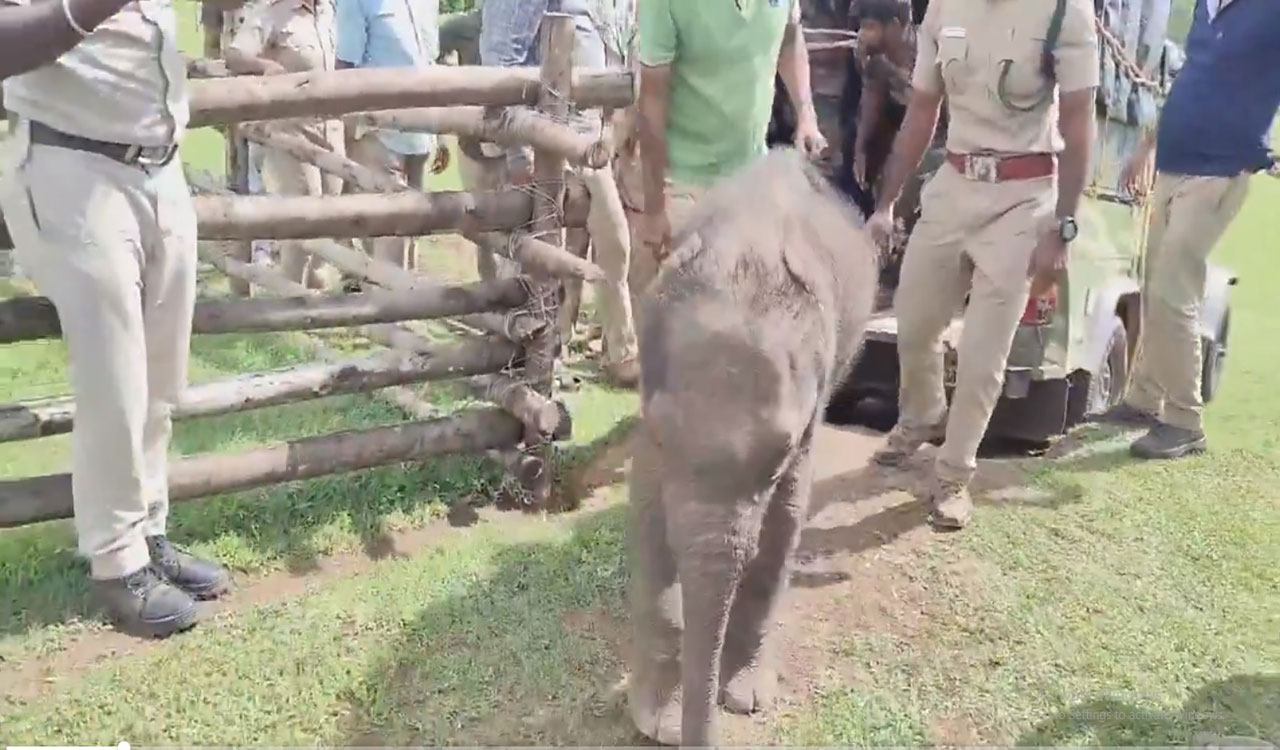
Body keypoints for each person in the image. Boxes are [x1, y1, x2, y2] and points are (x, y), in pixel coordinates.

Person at [0, 0, 230, 637]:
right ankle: (116, 560)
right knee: (116, 377)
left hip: (158, 167)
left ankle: (148, 531)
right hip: (69, 166)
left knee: (159, 377)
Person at [866, 0, 1099, 529]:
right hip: (953, 185)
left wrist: (1064, 225)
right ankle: (922, 414)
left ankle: (953, 475)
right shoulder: (945, 7)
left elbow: (1080, 122)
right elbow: (922, 111)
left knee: (982, 353)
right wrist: (885, 205)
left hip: (1024, 197)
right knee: (914, 318)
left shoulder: (1065, 13)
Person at [1102, 0, 1280, 459]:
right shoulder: (1206, 8)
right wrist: (1145, 147)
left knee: (1173, 288)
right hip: (1173, 162)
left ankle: (1184, 422)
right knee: (1152, 281)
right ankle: (1144, 398)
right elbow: (1189, 77)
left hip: (1220, 170)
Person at [480, 0, 642, 388]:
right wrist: (520, 155)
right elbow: (502, 57)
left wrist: (611, 132)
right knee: (533, 257)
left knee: (613, 245)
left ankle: (618, 352)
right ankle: (513, 354)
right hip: (546, 142)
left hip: (591, 142)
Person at [633, 0, 826, 293]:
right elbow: (651, 101)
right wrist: (654, 208)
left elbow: (790, 39)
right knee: (676, 315)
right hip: (680, 183)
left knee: (742, 307)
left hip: (749, 177)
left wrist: (806, 114)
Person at [227, 0, 345, 288]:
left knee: (332, 209)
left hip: (331, 127)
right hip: (291, 129)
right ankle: (292, 298)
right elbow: (234, 54)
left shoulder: (331, 10)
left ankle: (313, 286)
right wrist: (264, 65)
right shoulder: (273, 11)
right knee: (303, 210)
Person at [335, 0, 450, 271]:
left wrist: (441, 133)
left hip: (420, 132)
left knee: (412, 223)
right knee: (387, 223)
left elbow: (431, 61)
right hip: (378, 132)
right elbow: (345, 65)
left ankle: (400, 299)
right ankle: (387, 302)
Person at [438, 6, 517, 283]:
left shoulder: (522, 27)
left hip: (513, 146)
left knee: (515, 220)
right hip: (473, 144)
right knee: (478, 219)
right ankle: (489, 290)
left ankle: (511, 298)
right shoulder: (462, 27)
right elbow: (432, 62)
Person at [850, 0, 913, 204]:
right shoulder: (878, 63)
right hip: (893, 151)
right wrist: (860, 151)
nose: (862, 34)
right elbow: (869, 110)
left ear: (895, 26)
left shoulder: (927, 51)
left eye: (870, 27)